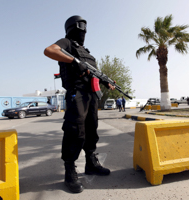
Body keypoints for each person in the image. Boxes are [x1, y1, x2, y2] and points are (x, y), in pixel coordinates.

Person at [44, 15, 115, 193]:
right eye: (80, 25)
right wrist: (75, 61)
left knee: (91, 129)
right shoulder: (67, 43)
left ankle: (91, 163)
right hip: (77, 93)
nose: (83, 29)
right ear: (72, 27)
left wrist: (105, 81)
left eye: (85, 26)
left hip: (91, 96)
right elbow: (49, 50)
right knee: (75, 130)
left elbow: (92, 74)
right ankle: (70, 170)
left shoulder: (88, 53)